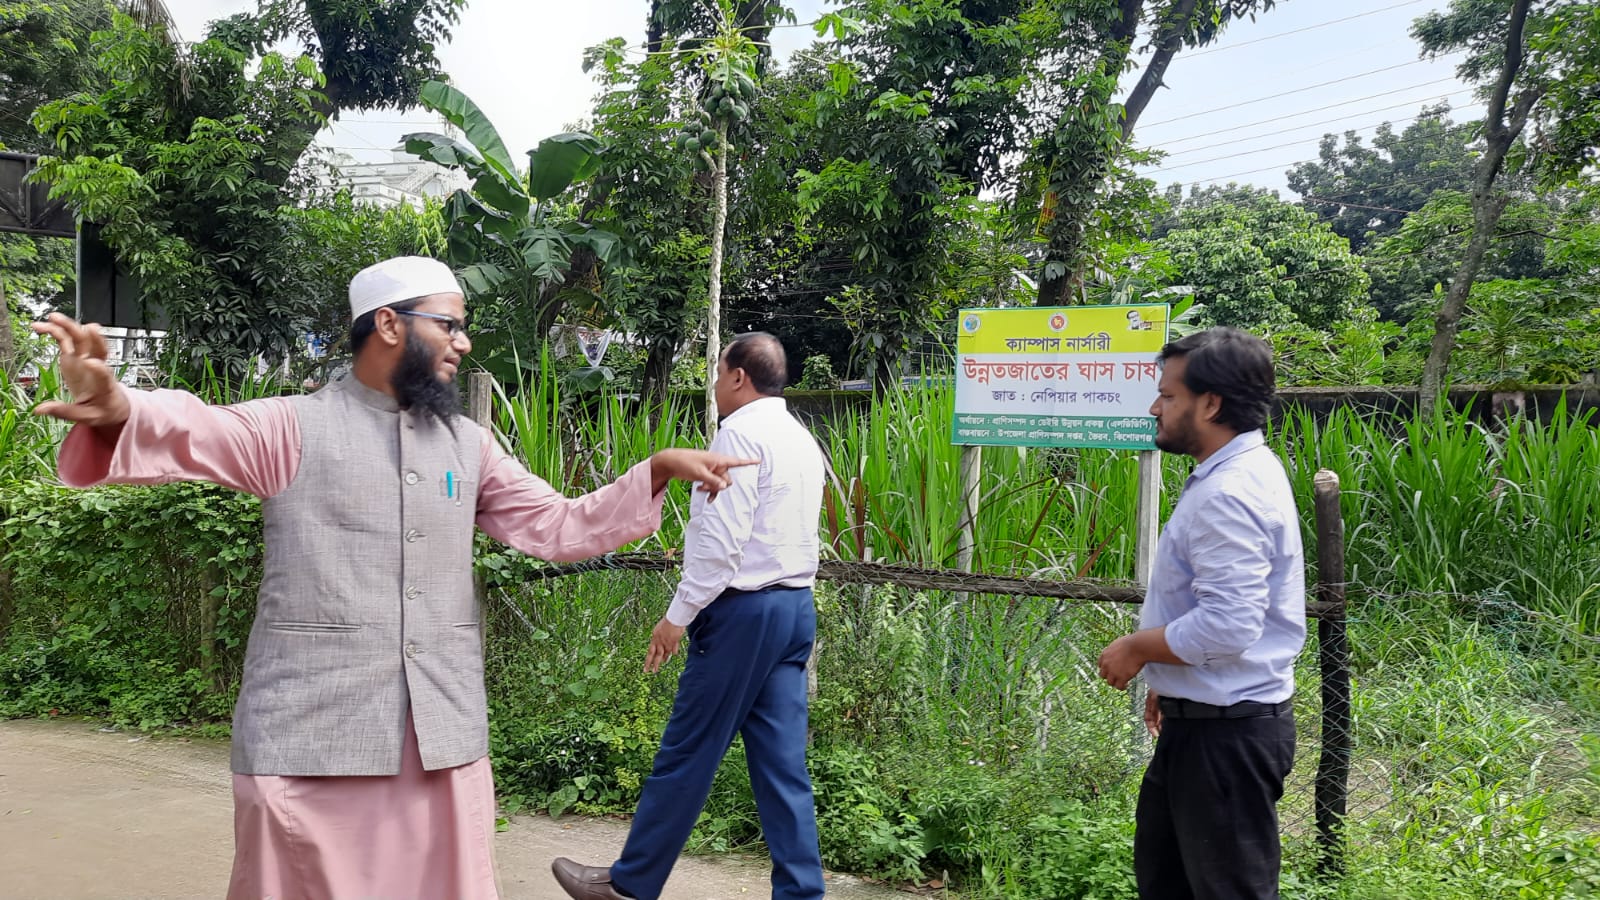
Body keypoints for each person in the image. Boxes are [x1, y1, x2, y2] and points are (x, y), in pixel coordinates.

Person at [30, 256, 754, 900]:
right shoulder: (291, 427)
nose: (463, 343)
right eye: (450, 325)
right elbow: (201, 428)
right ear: (387, 324)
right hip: (309, 742)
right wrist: (119, 407)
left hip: (439, 741)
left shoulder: (468, 446)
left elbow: (558, 526)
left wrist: (654, 469)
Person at [552, 332, 827, 900]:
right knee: (783, 767)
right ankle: (802, 893)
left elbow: (721, 545)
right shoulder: (801, 437)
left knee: (688, 750)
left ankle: (630, 886)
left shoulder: (739, 433)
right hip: (794, 609)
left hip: (742, 614)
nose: (716, 384)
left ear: (738, 377)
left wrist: (676, 617)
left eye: (718, 372)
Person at [1096, 327, 1305, 900]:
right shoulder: (1237, 472)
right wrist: (1172, 677)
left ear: (1210, 404)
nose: (1155, 407)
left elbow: (1229, 625)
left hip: (1226, 739)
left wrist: (1139, 648)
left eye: (1168, 395)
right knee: (1169, 881)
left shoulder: (1229, 492)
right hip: (1207, 724)